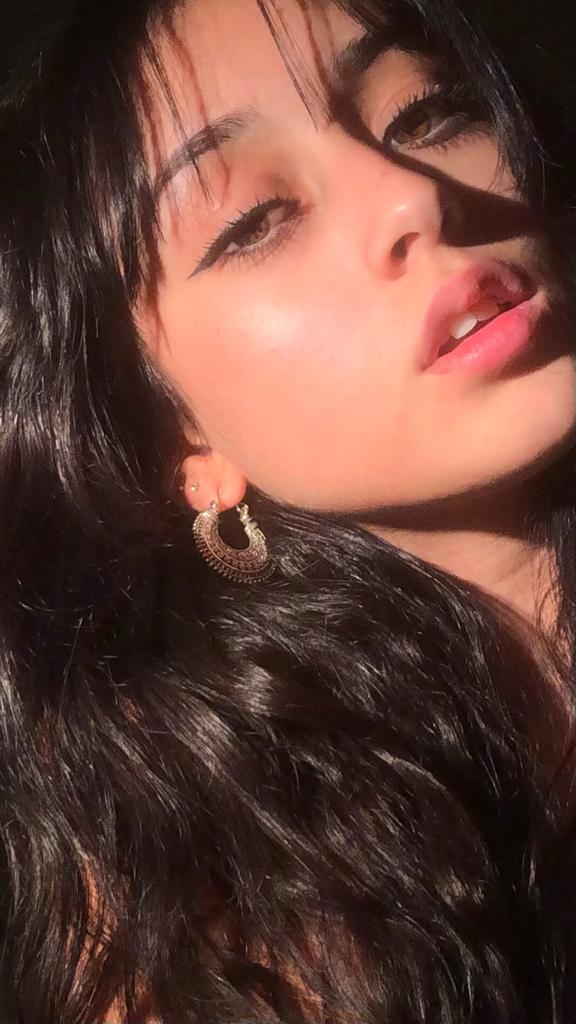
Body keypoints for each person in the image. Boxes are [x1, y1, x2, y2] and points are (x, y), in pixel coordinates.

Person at [0, 0, 575, 1021]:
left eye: (426, 112)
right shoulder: (217, 929)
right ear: (181, 446)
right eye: (254, 222)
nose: (414, 196)